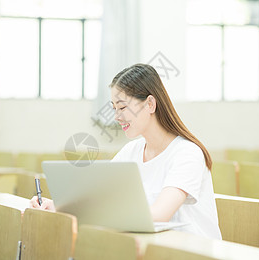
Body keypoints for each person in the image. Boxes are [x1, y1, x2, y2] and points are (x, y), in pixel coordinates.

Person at [30, 63, 221, 240]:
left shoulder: (187, 153)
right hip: (153, 247)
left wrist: (99, 212)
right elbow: (98, 195)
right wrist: (57, 206)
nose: (116, 116)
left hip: (192, 251)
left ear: (150, 104)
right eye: (114, 108)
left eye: (122, 107)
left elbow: (160, 214)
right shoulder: (132, 150)